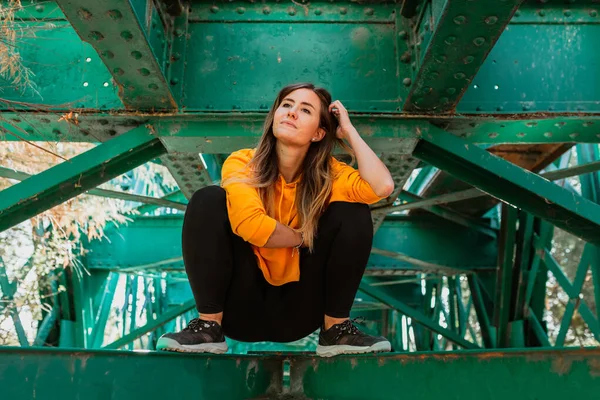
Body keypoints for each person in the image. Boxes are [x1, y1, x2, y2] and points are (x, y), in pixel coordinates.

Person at [156, 82, 395, 357]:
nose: (292, 113)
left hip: (300, 310)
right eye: (286, 105)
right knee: (207, 200)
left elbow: (382, 187)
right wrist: (303, 237)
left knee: (353, 211)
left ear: (319, 133)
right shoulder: (243, 162)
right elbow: (252, 226)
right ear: (275, 117)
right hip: (241, 307)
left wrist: (349, 131)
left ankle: (335, 329)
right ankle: (209, 325)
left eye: (305, 110)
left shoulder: (330, 175)